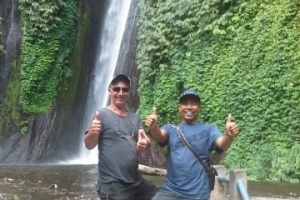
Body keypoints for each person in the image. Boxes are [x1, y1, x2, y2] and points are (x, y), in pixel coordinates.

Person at [145, 89, 240, 200]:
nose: (189, 107)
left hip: (197, 193)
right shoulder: (170, 129)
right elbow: (160, 135)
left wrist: (228, 135)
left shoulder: (209, 129)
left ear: (200, 108)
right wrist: (153, 127)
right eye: (185, 103)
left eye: (193, 103)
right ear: (179, 107)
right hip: (171, 190)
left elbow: (222, 144)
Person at [84, 74, 157, 200]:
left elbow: (144, 138)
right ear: (109, 91)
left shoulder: (135, 118)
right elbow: (89, 145)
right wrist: (93, 132)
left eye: (125, 89)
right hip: (113, 184)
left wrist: (146, 142)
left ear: (129, 93)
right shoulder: (100, 115)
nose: (120, 93)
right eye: (116, 89)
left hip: (136, 182)